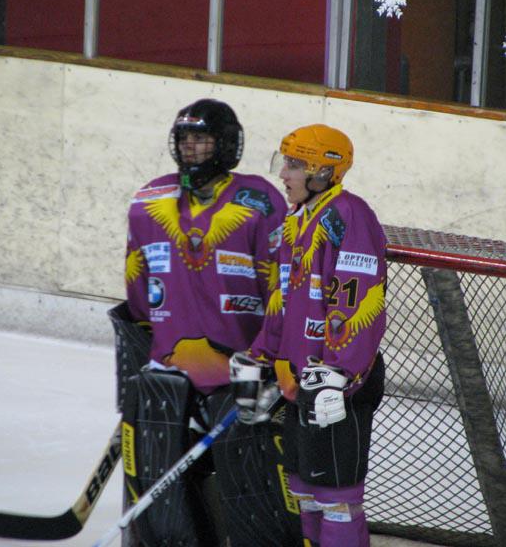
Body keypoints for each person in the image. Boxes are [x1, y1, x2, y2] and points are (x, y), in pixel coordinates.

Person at [114, 98, 301, 546]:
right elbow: (138, 289)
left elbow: (282, 286)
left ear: (227, 144)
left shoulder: (260, 201)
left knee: (252, 489)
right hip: (170, 376)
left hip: (241, 374)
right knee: (163, 495)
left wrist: (274, 355)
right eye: (185, 139)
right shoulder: (149, 201)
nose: (191, 148)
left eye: (202, 139)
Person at [230, 124, 387, 547]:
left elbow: (357, 302)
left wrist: (339, 373)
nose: (283, 174)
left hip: (337, 382)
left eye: (295, 165)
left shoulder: (348, 215)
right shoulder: (295, 221)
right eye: (285, 163)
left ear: (323, 171)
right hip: (299, 380)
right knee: (304, 494)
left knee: (337, 500)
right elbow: (283, 299)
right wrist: (261, 355)